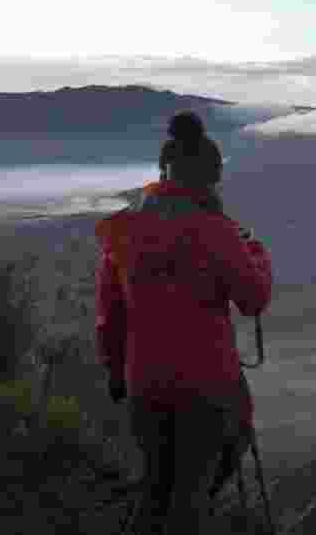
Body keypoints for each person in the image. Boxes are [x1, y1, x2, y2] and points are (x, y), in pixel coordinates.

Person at [95, 110, 272, 534]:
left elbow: (110, 313)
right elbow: (252, 299)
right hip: (206, 383)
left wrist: (116, 373)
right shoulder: (215, 230)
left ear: (163, 170)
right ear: (210, 177)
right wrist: (256, 253)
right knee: (191, 496)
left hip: (144, 383)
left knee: (156, 487)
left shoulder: (125, 230)